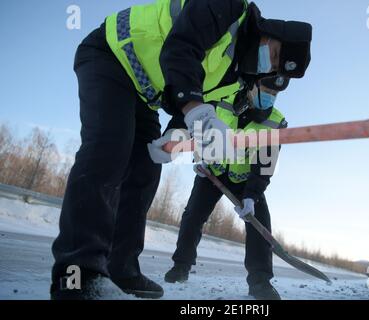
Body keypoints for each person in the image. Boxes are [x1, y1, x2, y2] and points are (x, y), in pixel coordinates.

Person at [51, 0, 312, 300]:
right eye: (274, 52)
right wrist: (198, 113)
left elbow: (189, 96)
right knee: (109, 149)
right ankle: (78, 276)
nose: (268, 63)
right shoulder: (228, 7)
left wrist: (174, 134)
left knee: (145, 172)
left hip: (144, 91)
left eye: (274, 65)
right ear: (271, 30)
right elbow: (180, 49)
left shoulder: (236, 77)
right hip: (112, 54)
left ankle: (121, 268)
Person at [164, 76, 290, 300]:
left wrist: (251, 197)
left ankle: (260, 282)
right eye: (266, 90)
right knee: (193, 214)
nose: (270, 96)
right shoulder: (221, 99)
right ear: (252, 86)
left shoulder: (275, 122)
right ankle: (180, 267)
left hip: (246, 181)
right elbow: (200, 126)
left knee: (259, 222)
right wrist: (200, 156)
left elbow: (265, 165)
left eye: (275, 93)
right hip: (213, 170)